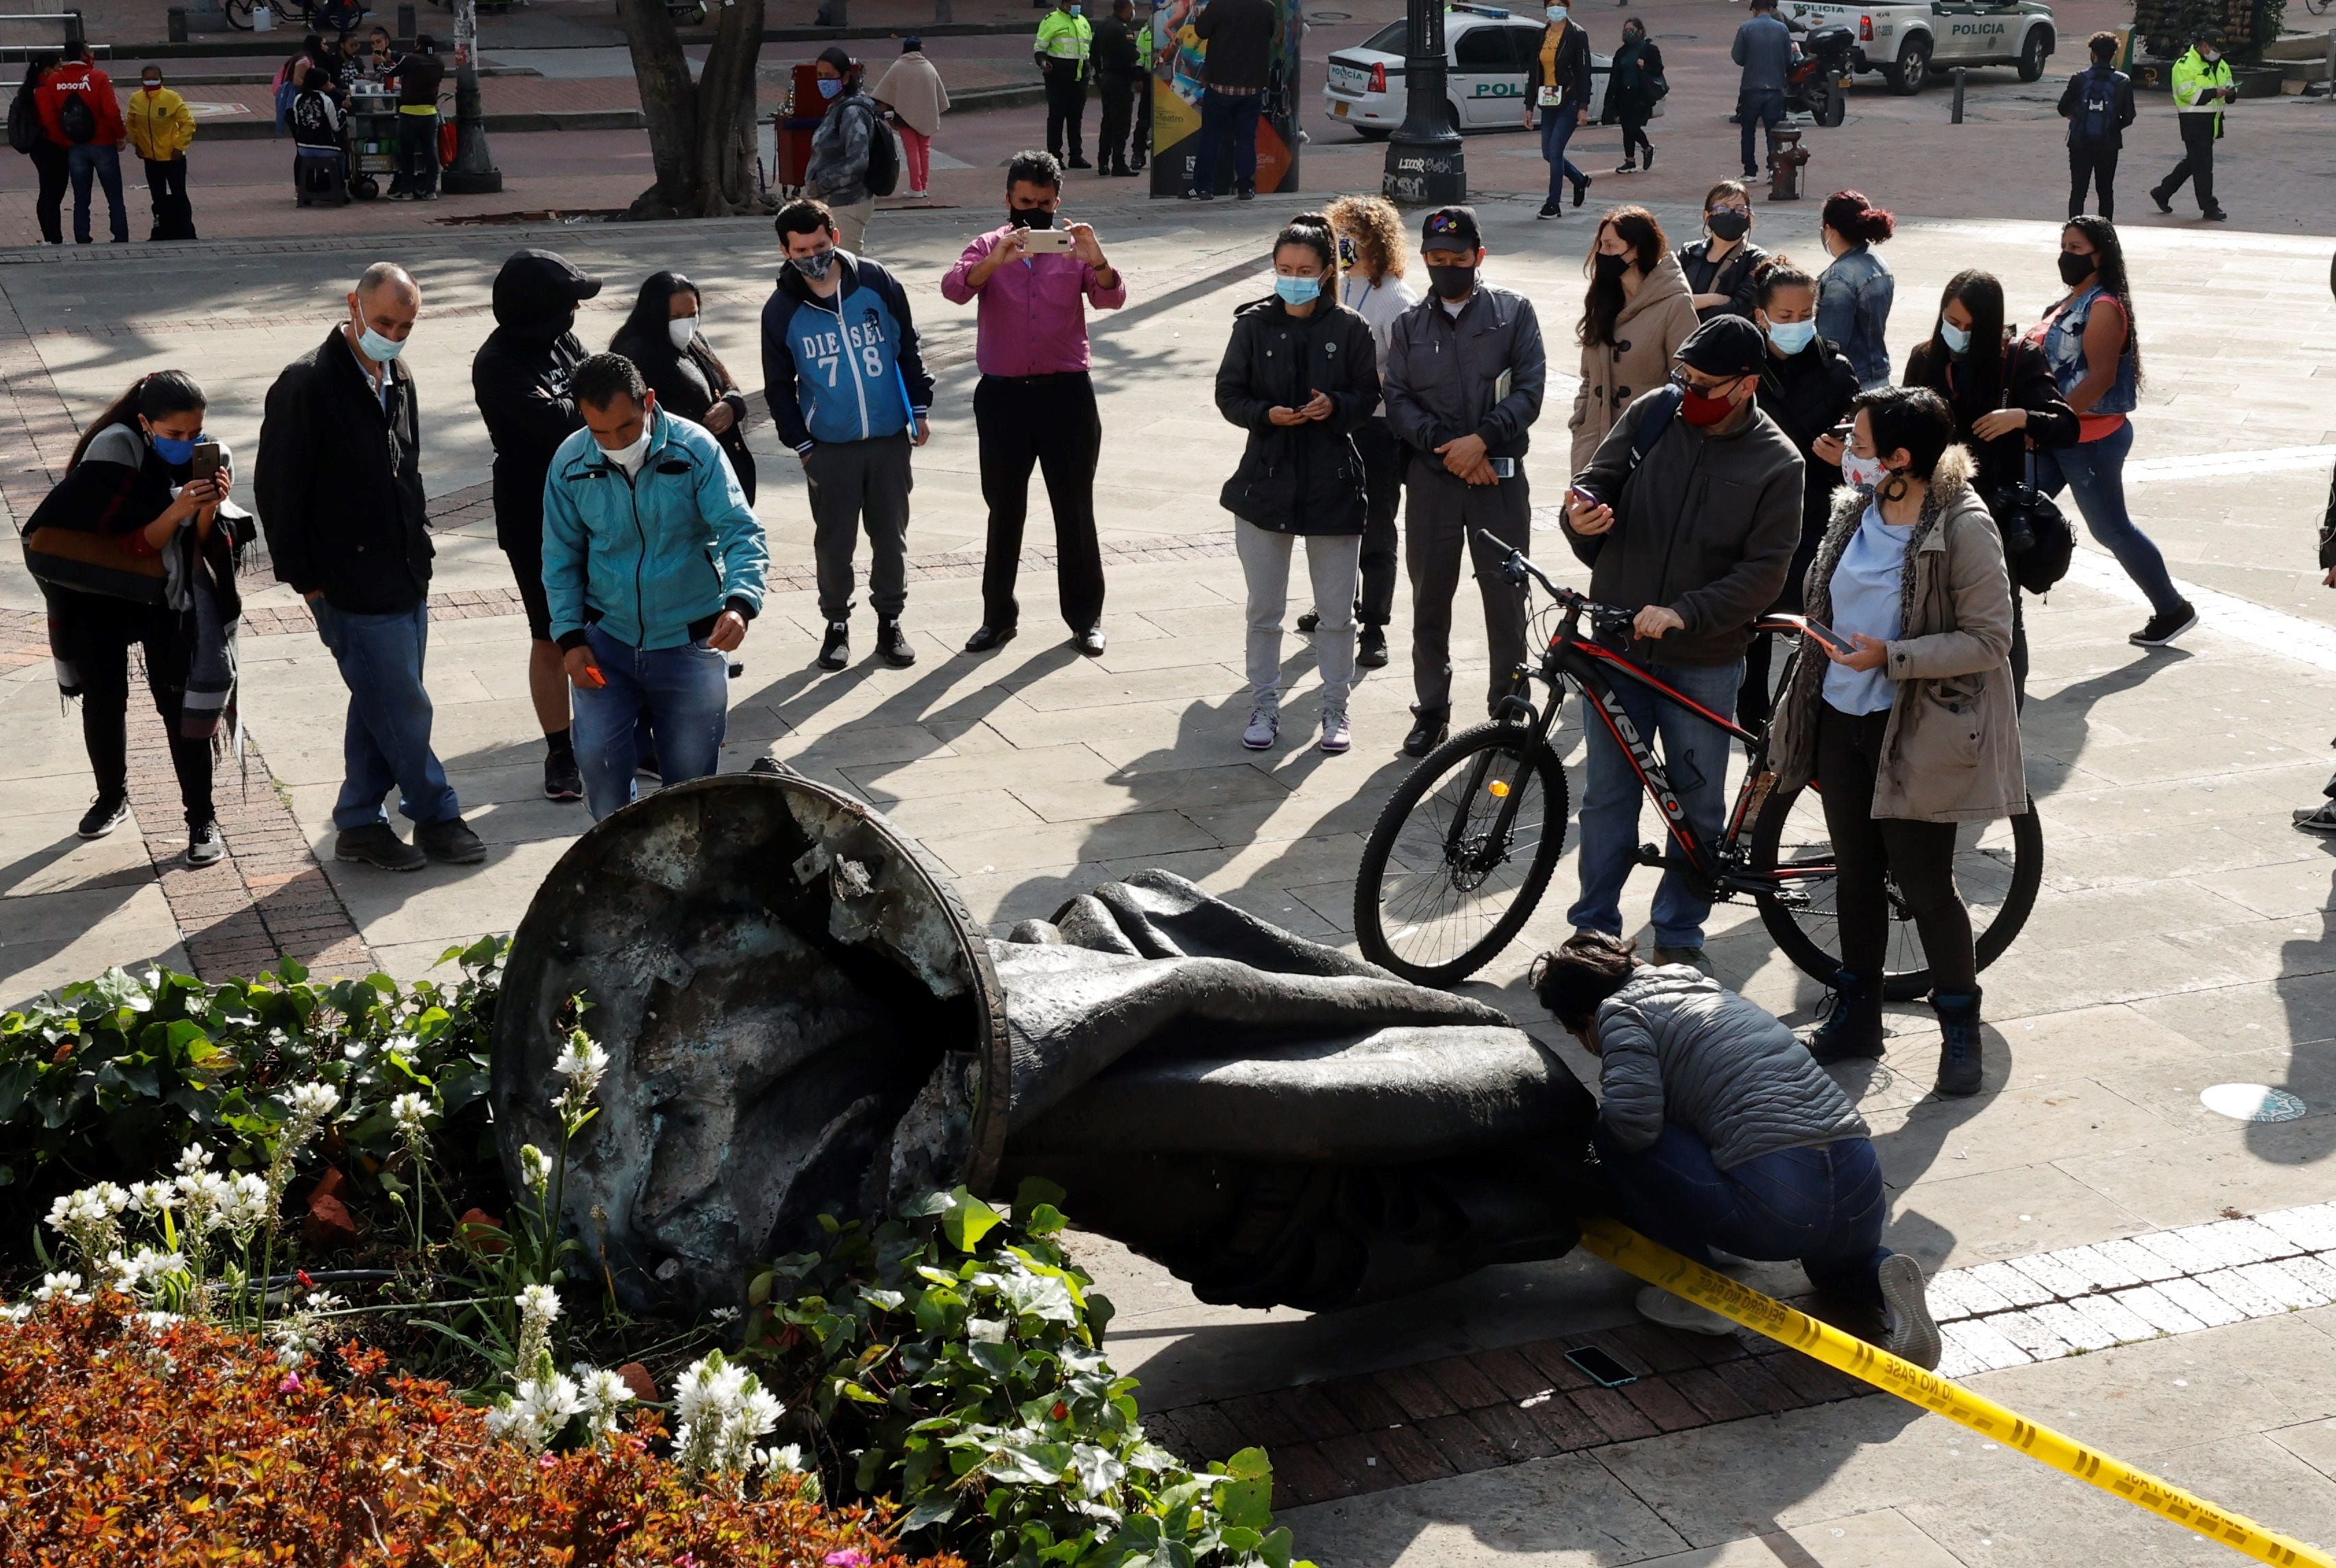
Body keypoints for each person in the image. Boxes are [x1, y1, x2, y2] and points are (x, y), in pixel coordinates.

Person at [1768, 387, 2024, 1098]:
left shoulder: (1963, 524)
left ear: (1901, 456)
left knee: (1923, 882)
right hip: (1841, 717)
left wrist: (1893, 655)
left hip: (1914, 725)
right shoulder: (1857, 509)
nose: (1849, 439)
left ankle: (1958, 1025)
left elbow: (1990, 637)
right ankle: (1859, 1012)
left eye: (1863, 434)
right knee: (1852, 872)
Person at [1529, 930, 1941, 1365]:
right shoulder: (1697, 984)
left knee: (1615, 1131)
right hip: (1859, 1176)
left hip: (1781, 1201)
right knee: (1836, 1271)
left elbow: (1633, 1125)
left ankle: (1697, 1291)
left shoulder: (1619, 1011)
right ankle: (1882, 1276)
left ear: (1583, 1019)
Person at [1561, 315, 1801, 968]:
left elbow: (1765, 574)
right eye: (1683, 377)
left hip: (1703, 659)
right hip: (1618, 646)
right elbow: (1597, 484)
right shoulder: (1655, 413)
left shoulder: (1779, 463)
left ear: (1747, 384)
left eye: (1704, 383)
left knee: (1697, 803)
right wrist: (1579, 516)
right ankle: (1594, 930)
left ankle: (1679, 933)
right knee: (1607, 796)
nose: (1688, 391)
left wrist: (1686, 613)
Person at [255, 262, 485, 872]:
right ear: (352, 305)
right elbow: (279, 490)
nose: (394, 334)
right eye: (384, 321)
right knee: (403, 704)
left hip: (404, 571)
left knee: (380, 698)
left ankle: (359, 820)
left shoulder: (398, 375)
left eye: (406, 325)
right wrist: (307, 581)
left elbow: (403, 471)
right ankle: (437, 814)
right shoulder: (307, 384)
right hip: (347, 582)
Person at [21, 371, 241, 864]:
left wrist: (209, 508)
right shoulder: (114, 449)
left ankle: (201, 818)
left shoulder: (212, 458)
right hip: (100, 589)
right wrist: (176, 508)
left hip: (167, 595)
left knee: (180, 706)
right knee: (104, 697)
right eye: (173, 435)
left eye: (195, 434)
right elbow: (136, 542)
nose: (187, 445)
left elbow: (202, 547)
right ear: (145, 423)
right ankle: (110, 797)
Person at [542, 354, 768, 822]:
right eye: (599, 433)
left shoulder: (696, 449)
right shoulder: (569, 462)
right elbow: (560, 558)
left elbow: (741, 532)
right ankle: (616, 873)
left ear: (648, 402)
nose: (614, 444)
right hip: (607, 642)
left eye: (626, 429)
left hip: (692, 641)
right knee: (600, 770)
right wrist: (569, 638)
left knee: (690, 791)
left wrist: (741, 604)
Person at [941, 151, 1127, 657]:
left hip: (1066, 395)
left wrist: (1099, 261)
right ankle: (998, 616)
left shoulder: (1073, 249)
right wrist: (994, 261)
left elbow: (1111, 298)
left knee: (1075, 509)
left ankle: (1085, 619)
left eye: (1044, 204)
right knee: (1004, 509)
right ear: (1008, 200)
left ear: (1057, 202)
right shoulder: (985, 246)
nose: (1034, 213)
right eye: (1025, 203)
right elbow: (954, 289)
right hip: (1003, 396)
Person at [1380, 206, 1546, 758]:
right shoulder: (1409, 326)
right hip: (1433, 483)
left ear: (1480, 256)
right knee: (1430, 598)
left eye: (1458, 259)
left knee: (1506, 597)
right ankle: (1431, 711)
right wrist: (1448, 448)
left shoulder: (1513, 313)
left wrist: (1485, 438)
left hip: (1499, 480)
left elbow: (1529, 389)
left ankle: (1507, 708)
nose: (1447, 268)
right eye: (1436, 259)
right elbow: (1398, 401)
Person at [1215, 214, 1380, 755]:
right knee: (1264, 608)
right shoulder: (1253, 325)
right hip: (1265, 482)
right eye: (1284, 269)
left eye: (1304, 270)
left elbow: (1368, 397)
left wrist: (1335, 407)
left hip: (1332, 483)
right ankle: (1264, 703)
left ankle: (1336, 707)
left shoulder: (1350, 327)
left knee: (1337, 613)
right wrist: (1266, 414)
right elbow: (1229, 395)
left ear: (1326, 271)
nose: (1292, 278)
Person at [764, 199, 934, 672]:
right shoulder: (781, 311)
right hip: (829, 448)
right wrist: (803, 446)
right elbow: (778, 388)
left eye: (820, 245)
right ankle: (836, 624)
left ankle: (890, 622)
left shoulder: (877, 282)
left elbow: (908, 348)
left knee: (890, 537)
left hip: (887, 438)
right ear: (785, 251)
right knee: (834, 543)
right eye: (801, 250)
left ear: (835, 236)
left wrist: (918, 408)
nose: (813, 256)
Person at [1903, 268, 2078, 700]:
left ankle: (2006, 726)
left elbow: (2066, 425)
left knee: (2001, 620)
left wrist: (2020, 417)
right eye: (1952, 322)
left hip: (1993, 516)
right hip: (1930, 510)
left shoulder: (2018, 359)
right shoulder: (1926, 358)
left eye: (1969, 327)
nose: (1958, 333)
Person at [471, 249, 602, 803]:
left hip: (594, 501)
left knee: (609, 626)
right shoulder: (497, 362)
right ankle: (560, 749)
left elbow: (602, 393)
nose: (575, 312)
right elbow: (559, 422)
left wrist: (582, 401)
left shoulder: (563, 343)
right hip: (533, 515)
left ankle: (618, 732)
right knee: (552, 633)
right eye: (566, 301)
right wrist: (585, 402)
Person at [2029, 217, 2194, 646]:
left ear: (2101, 255)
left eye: (2077, 248)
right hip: (2059, 436)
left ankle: (2173, 608)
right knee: (2014, 507)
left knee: (2111, 530)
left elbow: (2099, 379)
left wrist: (2049, 423)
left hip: (2089, 439)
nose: (2067, 255)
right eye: (2064, 245)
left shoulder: (2103, 307)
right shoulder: (2070, 300)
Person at [1739, 256, 1858, 732]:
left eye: (1805, 316)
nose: (1796, 326)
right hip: (1754, 521)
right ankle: (1752, 727)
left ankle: (1815, 724)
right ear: (1761, 316)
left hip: (1818, 521)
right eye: (1784, 317)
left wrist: (1846, 454)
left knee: (1818, 628)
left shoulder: (1836, 368)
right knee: (1751, 633)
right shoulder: (1741, 370)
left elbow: (1864, 445)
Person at [1309, 193, 1418, 672]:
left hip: (1376, 429)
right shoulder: (1332, 287)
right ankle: (1333, 604)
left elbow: (1406, 371)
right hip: (1330, 422)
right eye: (1338, 237)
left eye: (1351, 238)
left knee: (1376, 527)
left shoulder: (1395, 298)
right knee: (1328, 520)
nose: (1343, 246)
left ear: (1376, 243)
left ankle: (1373, 623)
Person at [611, 269, 759, 504]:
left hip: (720, 473)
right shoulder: (636, 355)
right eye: (676, 316)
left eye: (692, 314)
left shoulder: (695, 342)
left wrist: (732, 405)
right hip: (681, 487)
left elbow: (725, 383)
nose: (686, 324)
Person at [1568, 205, 1696, 472]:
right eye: (1601, 245)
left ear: (1636, 249)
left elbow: (1688, 381)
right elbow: (1588, 377)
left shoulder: (1675, 304)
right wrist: (1580, 422)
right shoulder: (1602, 298)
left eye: (1610, 246)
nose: (1602, 254)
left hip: (1647, 450)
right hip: (1592, 446)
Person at [36, 39, 128, 245]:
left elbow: (50, 117)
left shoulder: (55, 81)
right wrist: (120, 135)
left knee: (81, 197)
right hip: (103, 142)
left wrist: (64, 140)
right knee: (114, 196)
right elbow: (112, 112)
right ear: (83, 54)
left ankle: (82, 236)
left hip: (74, 146)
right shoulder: (98, 77)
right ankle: (120, 236)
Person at [1184, 0, 1276, 200]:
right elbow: (1269, 33)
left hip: (1220, 85)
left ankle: (1203, 187)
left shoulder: (1218, 5)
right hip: (1251, 86)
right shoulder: (1266, 7)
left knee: (1211, 137)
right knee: (1246, 138)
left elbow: (1201, 31)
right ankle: (1245, 187)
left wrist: (1200, 14)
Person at [2151, 28, 2235, 221]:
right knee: (2204, 165)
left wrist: (2230, 93)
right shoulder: (2184, 65)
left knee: (2194, 162)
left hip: (2213, 122)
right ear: (2204, 46)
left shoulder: (2221, 65)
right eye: (2215, 49)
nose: (2218, 54)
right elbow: (2188, 94)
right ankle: (2209, 207)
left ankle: (2163, 192)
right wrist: (2215, 92)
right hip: (2194, 122)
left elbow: (2229, 87)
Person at [1816, 190, 1895, 389]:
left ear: (1830, 229)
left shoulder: (1840, 276)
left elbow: (1832, 345)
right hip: (1879, 375)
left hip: (1851, 382)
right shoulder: (1878, 263)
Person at [807, 47, 879, 253]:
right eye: (820, 76)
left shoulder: (852, 111)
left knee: (849, 266)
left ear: (846, 77)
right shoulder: (837, 107)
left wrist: (821, 183)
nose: (823, 81)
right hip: (834, 202)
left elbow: (858, 161)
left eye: (829, 76)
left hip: (848, 203)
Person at [2059, 31, 2135, 221]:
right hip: (2109, 144)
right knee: (2105, 189)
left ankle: (2074, 228)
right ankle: (2105, 231)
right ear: (2114, 54)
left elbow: (2062, 108)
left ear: (2093, 53)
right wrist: (2112, 126)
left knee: (2078, 189)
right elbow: (2129, 116)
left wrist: (2077, 118)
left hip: (2080, 142)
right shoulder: (2123, 81)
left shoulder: (2079, 78)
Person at [1526, 0, 1592, 220]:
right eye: (1551, 4)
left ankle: (1553, 203)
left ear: (1567, 7)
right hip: (1548, 100)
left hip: (1569, 100)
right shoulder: (1541, 35)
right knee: (1548, 152)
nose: (1555, 8)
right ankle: (1579, 179)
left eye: (1559, 4)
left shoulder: (1577, 34)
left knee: (1555, 151)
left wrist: (1583, 106)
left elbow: (1584, 72)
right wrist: (1529, 106)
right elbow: (1534, 71)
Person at [1677, 181, 1766, 323]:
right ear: (1707, 216)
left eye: (1740, 210)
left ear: (1749, 218)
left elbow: (1740, 309)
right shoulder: (1688, 253)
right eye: (1723, 209)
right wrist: (1715, 299)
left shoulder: (1757, 260)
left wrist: (1687, 307)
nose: (1732, 215)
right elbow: (1665, 299)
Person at [125, 65, 197, 241]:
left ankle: (186, 231)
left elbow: (188, 124)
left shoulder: (172, 98)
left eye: (154, 78)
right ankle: (161, 231)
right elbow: (131, 123)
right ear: (141, 80)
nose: (151, 82)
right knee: (158, 198)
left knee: (179, 195)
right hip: (150, 158)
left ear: (161, 79)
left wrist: (179, 147)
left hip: (172, 157)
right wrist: (136, 143)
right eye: (147, 79)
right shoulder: (136, 99)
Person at [873, 37, 948, 199]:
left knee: (912, 151)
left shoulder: (898, 67)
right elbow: (940, 95)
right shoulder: (929, 67)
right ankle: (923, 186)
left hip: (904, 117)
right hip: (927, 116)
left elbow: (883, 90)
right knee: (924, 151)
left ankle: (915, 187)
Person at [1731, 0, 1790, 183]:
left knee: (1748, 130)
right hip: (1775, 86)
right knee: (1773, 132)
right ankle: (1774, 168)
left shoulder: (1746, 28)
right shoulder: (1782, 29)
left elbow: (1738, 57)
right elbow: (1789, 58)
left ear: (1755, 9)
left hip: (1751, 86)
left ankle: (1750, 170)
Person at [14, 56, 68, 246]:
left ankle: (50, 235)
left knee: (46, 190)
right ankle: (54, 237)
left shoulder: (27, 90)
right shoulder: (45, 89)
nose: (61, 71)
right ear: (47, 71)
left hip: (37, 147)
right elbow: (50, 121)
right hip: (52, 146)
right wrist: (64, 143)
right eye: (58, 67)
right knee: (53, 193)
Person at [1035, 0, 1094, 169]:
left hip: (1079, 79)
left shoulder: (1083, 21)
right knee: (1057, 118)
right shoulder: (1051, 20)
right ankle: (1054, 158)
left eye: (1079, 3)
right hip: (1058, 80)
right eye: (1074, 3)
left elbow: (1087, 50)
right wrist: (1043, 62)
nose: (1077, 6)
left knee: (1076, 119)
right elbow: (1040, 48)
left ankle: (1076, 156)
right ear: (1065, 3)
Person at [387, 34, 444, 202]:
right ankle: (430, 190)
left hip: (409, 113)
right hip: (430, 114)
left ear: (418, 45)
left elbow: (392, 72)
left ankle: (406, 192)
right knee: (430, 154)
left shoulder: (412, 60)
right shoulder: (439, 62)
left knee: (407, 154)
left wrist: (384, 61)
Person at [1091, 0, 1142, 178]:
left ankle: (1103, 161)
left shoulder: (1103, 26)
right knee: (1121, 124)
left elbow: (1093, 52)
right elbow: (1132, 55)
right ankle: (1118, 163)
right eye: (1132, 9)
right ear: (1126, 9)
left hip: (1107, 79)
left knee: (1108, 122)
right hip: (1121, 81)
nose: (1133, 12)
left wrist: (1098, 74)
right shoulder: (1123, 30)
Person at [1607, 16, 1663, 175]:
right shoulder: (1622, 52)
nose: (1628, 33)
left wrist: (1646, 66)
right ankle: (1630, 160)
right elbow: (1615, 76)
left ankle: (1647, 147)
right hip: (1624, 93)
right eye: (1626, 30)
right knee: (1626, 127)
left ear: (1640, 31)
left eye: (1631, 30)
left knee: (1633, 126)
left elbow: (1658, 69)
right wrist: (1609, 100)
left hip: (1640, 94)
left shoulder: (1648, 49)